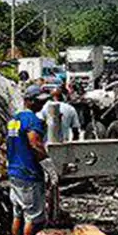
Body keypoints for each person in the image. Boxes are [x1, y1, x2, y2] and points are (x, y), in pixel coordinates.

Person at [6, 87, 50, 235]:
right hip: (29, 174)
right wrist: (48, 165)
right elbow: (34, 143)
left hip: (15, 173)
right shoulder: (32, 120)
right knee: (33, 218)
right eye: (39, 100)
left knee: (18, 215)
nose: (42, 103)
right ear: (29, 101)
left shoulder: (14, 120)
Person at [42, 83, 82, 221]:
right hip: (63, 147)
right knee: (57, 179)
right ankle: (54, 211)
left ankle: (51, 211)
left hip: (46, 148)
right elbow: (76, 131)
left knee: (49, 181)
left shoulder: (44, 108)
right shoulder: (70, 109)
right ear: (64, 95)